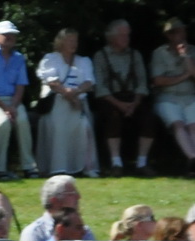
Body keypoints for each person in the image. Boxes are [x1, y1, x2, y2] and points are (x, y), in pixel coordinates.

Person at [92, 19, 155, 173]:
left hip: (134, 98)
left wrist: (135, 103)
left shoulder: (135, 55)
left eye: (127, 35)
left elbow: (142, 83)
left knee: (150, 118)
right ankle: (116, 163)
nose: (126, 38)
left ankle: (141, 162)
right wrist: (118, 104)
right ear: (111, 37)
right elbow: (100, 87)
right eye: (122, 35)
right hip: (110, 99)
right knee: (113, 117)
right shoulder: (101, 56)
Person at [0, 20, 37, 180]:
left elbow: (20, 86)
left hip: (13, 101)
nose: (10, 37)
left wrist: (13, 106)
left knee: (22, 121)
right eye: (6, 34)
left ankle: (28, 167)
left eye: (12, 35)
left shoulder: (19, 58)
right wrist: (5, 107)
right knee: (3, 123)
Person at [37, 28, 96, 177]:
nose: (73, 43)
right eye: (70, 40)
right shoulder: (50, 59)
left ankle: (84, 167)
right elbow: (52, 82)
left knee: (83, 127)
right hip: (57, 101)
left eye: (75, 40)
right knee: (59, 125)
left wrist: (75, 94)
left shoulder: (83, 61)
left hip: (78, 101)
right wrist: (69, 95)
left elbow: (89, 82)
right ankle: (58, 168)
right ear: (61, 42)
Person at [150, 17, 195, 171]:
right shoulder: (159, 53)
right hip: (167, 98)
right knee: (178, 124)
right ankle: (192, 157)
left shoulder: (193, 51)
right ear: (169, 35)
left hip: (189, 96)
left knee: (193, 125)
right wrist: (184, 76)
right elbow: (158, 81)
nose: (182, 35)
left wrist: (185, 56)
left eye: (183, 31)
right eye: (178, 32)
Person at [19, 174, 85, 241]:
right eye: (72, 194)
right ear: (55, 201)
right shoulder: (33, 233)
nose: (78, 197)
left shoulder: (83, 230)